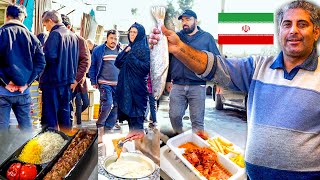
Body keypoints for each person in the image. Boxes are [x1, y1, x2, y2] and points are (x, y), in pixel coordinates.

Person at [150, 0, 320, 178]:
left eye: (302, 24)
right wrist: (179, 49)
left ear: (316, 31)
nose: (293, 30)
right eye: (287, 24)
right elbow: (217, 66)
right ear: (279, 31)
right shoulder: (258, 66)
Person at [165, 9, 220, 134]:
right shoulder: (177, 37)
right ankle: (181, 139)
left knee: (197, 122)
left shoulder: (207, 38)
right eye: (183, 20)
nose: (185, 22)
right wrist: (168, 79)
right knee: (174, 116)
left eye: (188, 19)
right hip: (177, 84)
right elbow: (168, 58)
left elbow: (217, 60)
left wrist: (219, 82)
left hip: (198, 85)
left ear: (196, 20)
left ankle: (197, 149)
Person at [0, 4, 46, 131]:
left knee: (1, 131)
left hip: (2, 92)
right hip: (23, 91)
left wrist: (5, 83)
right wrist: (27, 83)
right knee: (26, 130)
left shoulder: (1, 33)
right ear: (22, 19)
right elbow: (41, 63)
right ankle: (25, 151)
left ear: (6, 16)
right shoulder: (32, 37)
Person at [40, 10, 79, 131]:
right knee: (65, 115)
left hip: (53, 82)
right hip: (67, 82)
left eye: (45, 25)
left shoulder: (55, 34)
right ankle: (66, 143)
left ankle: (51, 145)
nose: (46, 29)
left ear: (50, 21)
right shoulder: (73, 35)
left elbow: (49, 57)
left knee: (50, 116)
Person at [115, 22, 150, 140]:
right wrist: (125, 52)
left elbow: (146, 68)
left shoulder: (144, 49)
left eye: (134, 32)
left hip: (137, 90)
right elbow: (117, 62)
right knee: (131, 121)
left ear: (140, 34)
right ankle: (134, 148)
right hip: (126, 90)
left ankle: (141, 148)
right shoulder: (129, 47)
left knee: (137, 121)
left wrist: (132, 57)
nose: (132, 34)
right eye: (130, 32)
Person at [89, 30, 122, 143]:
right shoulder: (99, 50)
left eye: (115, 38)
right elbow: (92, 66)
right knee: (108, 103)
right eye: (111, 38)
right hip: (104, 83)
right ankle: (100, 124)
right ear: (107, 38)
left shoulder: (121, 51)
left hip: (118, 84)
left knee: (117, 106)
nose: (113, 41)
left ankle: (108, 128)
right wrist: (93, 80)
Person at [61, 14, 91, 126]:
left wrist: (76, 80)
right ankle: (72, 127)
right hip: (63, 82)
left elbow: (86, 62)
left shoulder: (79, 40)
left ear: (68, 27)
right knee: (68, 107)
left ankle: (75, 123)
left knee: (84, 103)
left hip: (78, 82)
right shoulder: (58, 39)